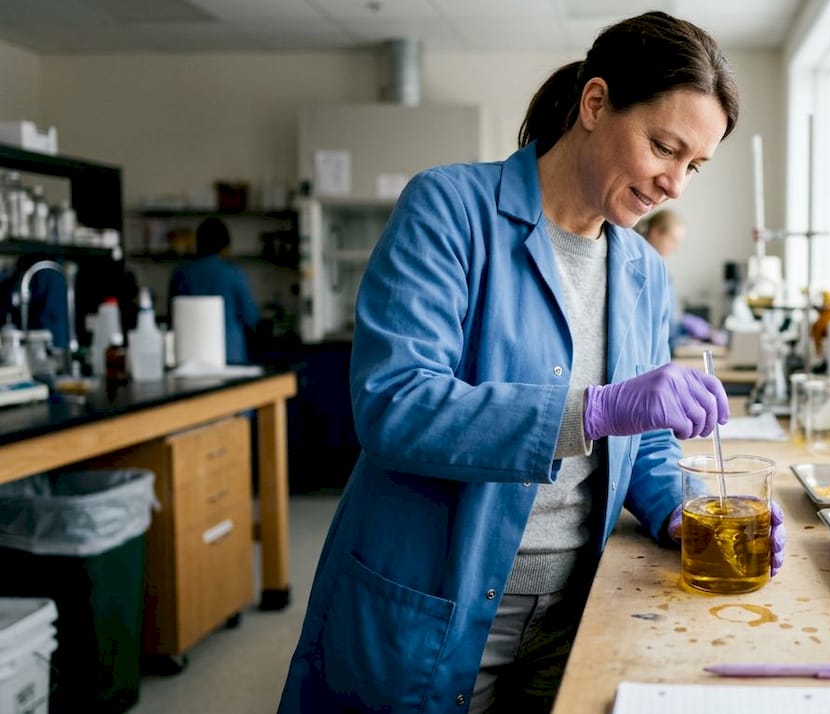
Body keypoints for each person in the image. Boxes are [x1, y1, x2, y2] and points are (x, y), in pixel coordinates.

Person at [278, 11, 785, 714]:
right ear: (595, 103)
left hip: (575, 611)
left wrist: (686, 512)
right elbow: (394, 403)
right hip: (438, 603)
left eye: (693, 166)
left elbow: (645, 448)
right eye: (664, 148)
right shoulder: (450, 210)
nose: (675, 184)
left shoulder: (642, 270)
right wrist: (595, 410)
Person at [167, 217, 259, 364]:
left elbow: (172, 314)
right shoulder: (234, 274)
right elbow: (251, 317)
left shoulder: (181, 274)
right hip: (230, 353)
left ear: (197, 244)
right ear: (226, 246)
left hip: (189, 354)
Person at [639, 209, 724, 352]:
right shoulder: (643, 269)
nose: (675, 249)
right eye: (673, 240)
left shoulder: (659, 271)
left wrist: (683, 328)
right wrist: (683, 327)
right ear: (655, 232)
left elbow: (667, 320)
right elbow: (650, 322)